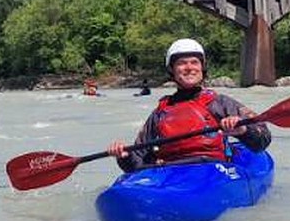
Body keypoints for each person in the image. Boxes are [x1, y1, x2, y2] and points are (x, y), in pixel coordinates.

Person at [106, 39, 270, 171]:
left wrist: (242, 130)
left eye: (194, 62)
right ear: (172, 70)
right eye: (182, 63)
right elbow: (135, 163)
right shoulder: (161, 112)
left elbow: (263, 138)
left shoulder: (219, 103)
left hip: (211, 170)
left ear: (202, 68)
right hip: (170, 171)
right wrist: (123, 155)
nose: (189, 68)